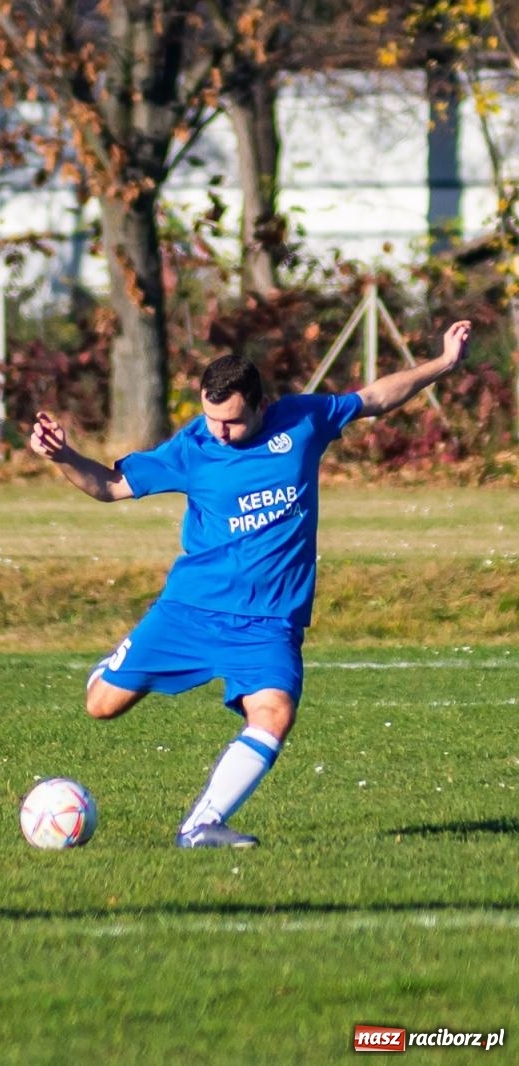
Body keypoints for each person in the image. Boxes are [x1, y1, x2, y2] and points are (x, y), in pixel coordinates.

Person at [29, 320, 472, 848]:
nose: (219, 432)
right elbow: (110, 485)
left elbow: (375, 397)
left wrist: (442, 363)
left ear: (262, 404)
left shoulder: (304, 421)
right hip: (191, 609)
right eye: (211, 418)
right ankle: (116, 665)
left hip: (268, 621)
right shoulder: (194, 446)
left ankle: (201, 825)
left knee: (274, 712)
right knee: (101, 706)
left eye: (232, 422)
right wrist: (64, 458)